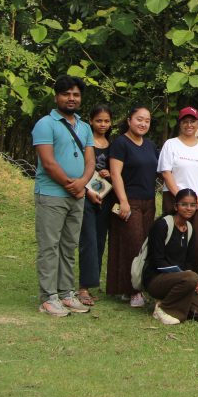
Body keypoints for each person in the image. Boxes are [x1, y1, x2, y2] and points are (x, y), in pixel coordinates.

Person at [32, 76, 95, 316]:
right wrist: (71, 184)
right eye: (66, 94)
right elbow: (48, 162)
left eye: (76, 94)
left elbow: (90, 161)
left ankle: (67, 294)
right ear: (56, 96)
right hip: (51, 194)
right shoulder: (45, 124)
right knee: (50, 246)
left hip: (77, 195)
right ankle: (48, 298)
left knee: (69, 246)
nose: (71, 98)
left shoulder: (85, 127)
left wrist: (82, 183)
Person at [108, 105, 159, 308]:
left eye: (147, 120)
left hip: (149, 202)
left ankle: (129, 287)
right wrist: (123, 201)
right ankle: (133, 291)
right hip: (129, 202)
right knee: (132, 244)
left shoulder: (150, 145)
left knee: (144, 245)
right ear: (129, 120)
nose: (143, 123)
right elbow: (115, 174)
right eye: (139, 119)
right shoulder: (120, 143)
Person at [157, 106, 198, 269]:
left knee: (195, 241)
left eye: (192, 121)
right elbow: (166, 173)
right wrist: (180, 198)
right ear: (180, 124)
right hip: (174, 199)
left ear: (197, 124)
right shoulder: (171, 145)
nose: (189, 125)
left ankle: (192, 276)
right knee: (173, 238)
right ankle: (170, 275)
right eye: (185, 121)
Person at [143, 189, 198, 324]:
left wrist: (193, 281)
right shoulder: (162, 225)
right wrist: (186, 276)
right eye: (184, 204)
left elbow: (189, 262)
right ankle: (163, 309)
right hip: (156, 279)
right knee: (191, 277)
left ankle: (168, 301)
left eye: (192, 205)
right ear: (175, 206)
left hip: (182, 279)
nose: (189, 208)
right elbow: (157, 260)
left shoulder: (190, 229)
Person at [76, 103, 113, 307]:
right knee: (88, 240)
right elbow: (78, 168)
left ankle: (92, 284)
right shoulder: (84, 142)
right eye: (99, 120)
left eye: (106, 121)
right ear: (90, 121)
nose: (103, 124)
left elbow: (119, 170)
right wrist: (87, 191)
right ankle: (83, 287)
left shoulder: (112, 144)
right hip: (86, 196)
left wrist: (110, 173)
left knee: (100, 240)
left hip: (106, 198)